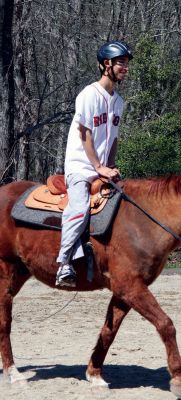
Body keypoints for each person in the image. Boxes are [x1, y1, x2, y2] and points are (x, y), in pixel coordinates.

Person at [56, 40, 133, 287]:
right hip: (80, 167)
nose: (125, 68)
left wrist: (111, 167)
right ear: (106, 65)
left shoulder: (118, 101)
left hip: (101, 168)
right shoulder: (89, 95)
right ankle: (64, 263)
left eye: (126, 63)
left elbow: (113, 140)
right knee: (79, 209)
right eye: (121, 62)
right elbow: (85, 135)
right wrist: (99, 167)